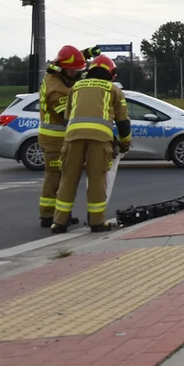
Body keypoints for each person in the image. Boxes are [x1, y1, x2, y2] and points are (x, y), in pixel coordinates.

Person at [51, 55, 131, 234]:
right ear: (110, 73)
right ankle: (97, 222)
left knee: (68, 179)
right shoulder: (113, 90)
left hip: (73, 138)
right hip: (100, 140)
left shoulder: (76, 87)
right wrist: (125, 143)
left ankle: (59, 222)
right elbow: (123, 122)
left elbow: (67, 116)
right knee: (97, 180)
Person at [37, 44, 98, 228]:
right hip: (53, 140)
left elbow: (73, 58)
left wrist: (87, 53)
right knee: (54, 177)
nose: (76, 75)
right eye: (73, 72)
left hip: (60, 139)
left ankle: (62, 214)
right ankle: (48, 215)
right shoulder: (56, 89)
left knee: (64, 177)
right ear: (62, 69)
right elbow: (67, 115)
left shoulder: (60, 73)